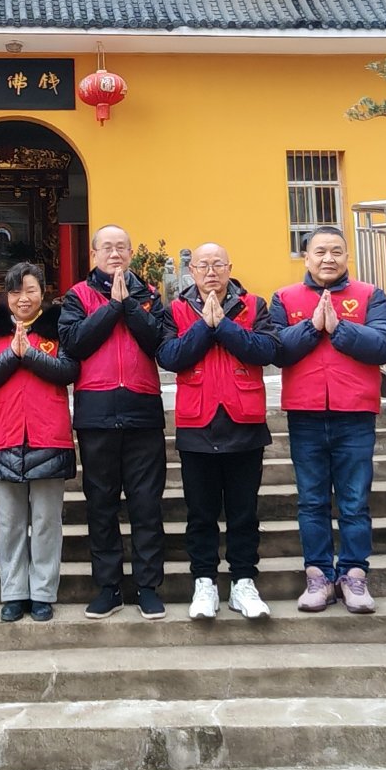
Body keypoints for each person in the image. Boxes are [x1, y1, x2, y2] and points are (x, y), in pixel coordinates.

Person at [269, 226, 386, 614]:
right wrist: (311, 327)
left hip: (354, 413)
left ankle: (354, 575)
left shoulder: (370, 295)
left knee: (354, 501)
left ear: (347, 256)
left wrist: (340, 328)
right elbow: (276, 350)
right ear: (306, 257)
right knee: (312, 500)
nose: (329, 258)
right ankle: (319, 576)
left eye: (336, 251)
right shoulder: (284, 298)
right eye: (320, 251)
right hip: (305, 413)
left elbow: (385, 345)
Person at [157, 243, 279, 621]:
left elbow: (266, 350)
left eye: (218, 265)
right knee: (201, 513)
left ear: (229, 267)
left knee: (244, 513)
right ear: (191, 271)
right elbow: (170, 356)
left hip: (244, 423)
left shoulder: (253, 305)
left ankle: (243, 582)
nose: (211, 272)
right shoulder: (176, 310)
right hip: (198, 424)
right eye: (203, 266)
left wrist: (224, 326)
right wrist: (203, 327)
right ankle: (204, 582)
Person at [58, 224, 170, 620]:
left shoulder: (149, 296)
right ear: (94, 255)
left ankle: (147, 586)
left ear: (131, 253)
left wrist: (129, 305)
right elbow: (74, 343)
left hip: (142, 411)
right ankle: (108, 587)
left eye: (121, 247)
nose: (115, 254)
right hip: (97, 412)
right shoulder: (78, 296)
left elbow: (158, 342)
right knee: (101, 505)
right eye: (107, 247)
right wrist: (111, 307)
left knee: (146, 504)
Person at [0, 262, 79, 622]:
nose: (23, 298)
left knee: (47, 521)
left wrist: (31, 355)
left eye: (31, 290)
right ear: (7, 296)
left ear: (43, 293)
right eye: (16, 291)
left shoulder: (58, 329)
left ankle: (43, 593)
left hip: (49, 434)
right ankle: (14, 592)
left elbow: (68, 371)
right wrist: (12, 354)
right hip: (4, 434)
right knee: (10, 523)